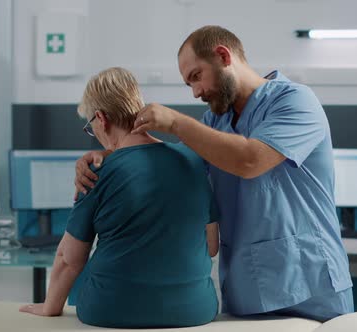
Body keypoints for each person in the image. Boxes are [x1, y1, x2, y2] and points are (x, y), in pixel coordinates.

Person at [75, 25, 353, 321]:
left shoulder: (295, 101)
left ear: (223, 56)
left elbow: (250, 160)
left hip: (309, 284)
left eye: (196, 76)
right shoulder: (215, 121)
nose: (196, 92)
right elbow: (173, 164)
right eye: (189, 84)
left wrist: (175, 122)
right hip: (246, 288)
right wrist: (109, 154)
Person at [20, 67, 219, 328]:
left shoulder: (97, 173)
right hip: (195, 311)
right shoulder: (192, 160)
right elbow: (211, 244)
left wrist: (50, 307)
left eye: (91, 127)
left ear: (101, 118)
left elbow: (69, 259)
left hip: (110, 310)